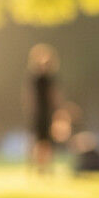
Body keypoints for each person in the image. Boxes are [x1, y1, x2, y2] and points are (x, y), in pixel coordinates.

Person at [25, 44, 61, 174]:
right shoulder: (35, 78)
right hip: (38, 114)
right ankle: (34, 166)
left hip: (48, 114)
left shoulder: (51, 79)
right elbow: (30, 97)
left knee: (48, 142)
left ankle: (46, 168)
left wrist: (57, 111)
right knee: (35, 141)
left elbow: (54, 96)